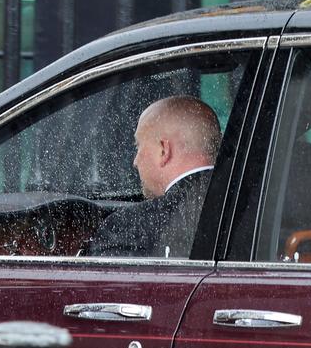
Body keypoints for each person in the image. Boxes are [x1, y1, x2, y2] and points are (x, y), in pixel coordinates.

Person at [86, 95, 221, 258]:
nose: (135, 162)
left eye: (138, 146)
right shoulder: (252, 203)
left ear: (163, 150)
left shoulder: (131, 227)